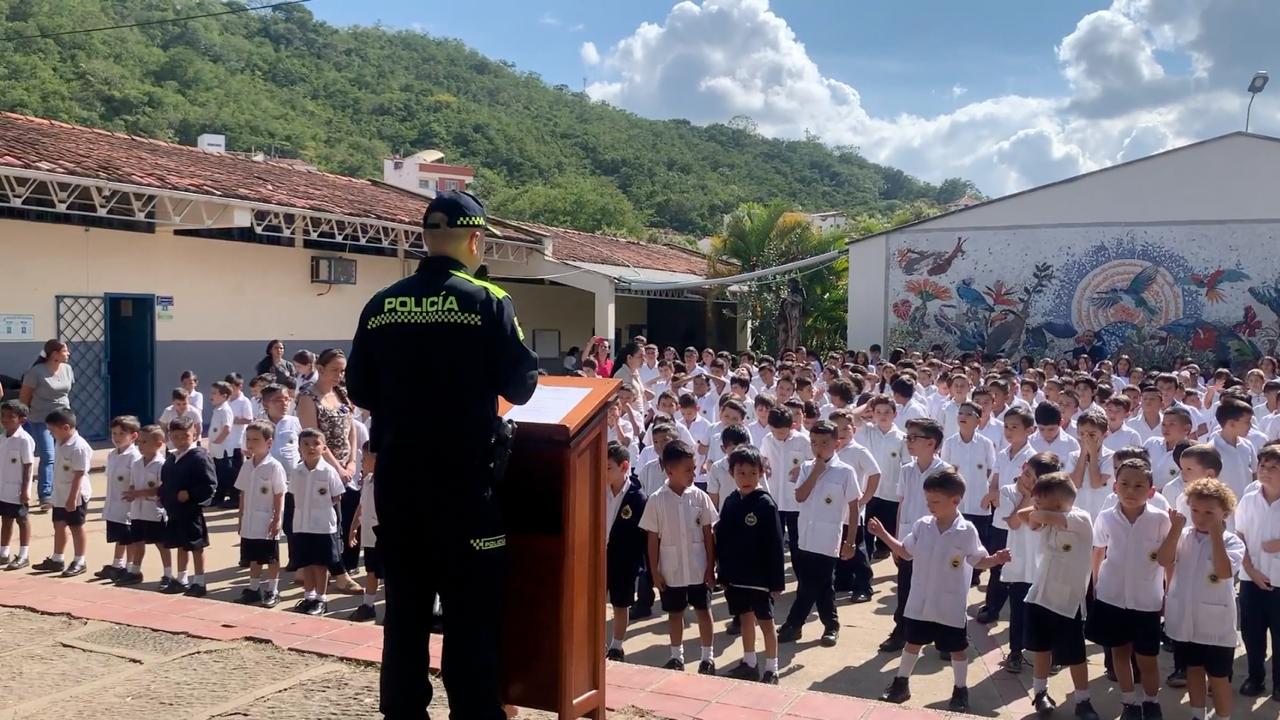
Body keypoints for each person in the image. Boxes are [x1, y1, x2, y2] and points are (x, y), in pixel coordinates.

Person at [346, 190, 538, 720]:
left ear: (427, 239)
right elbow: (521, 387)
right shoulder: (488, 301)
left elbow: (359, 389)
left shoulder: (382, 304)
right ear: (475, 239)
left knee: (405, 613)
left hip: (401, 488)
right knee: (470, 616)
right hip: (465, 489)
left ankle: (403, 712)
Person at [871, 468, 1011, 713]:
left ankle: (960, 690)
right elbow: (905, 552)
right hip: (921, 601)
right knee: (912, 643)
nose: (930, 506)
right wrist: (883, 534)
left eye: (935, 501)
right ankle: (901, 683)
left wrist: (996, 559)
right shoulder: (923, 525)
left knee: (957, 649)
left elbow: (979, 560)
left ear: (955, 501)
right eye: (928, 501)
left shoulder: (966, 530)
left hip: (949, 604)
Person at [1086, 459, 1171, 720]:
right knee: (1119, 653)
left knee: (1147, 658)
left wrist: (1169, 593)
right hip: (1112, 596)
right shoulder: (1106, 517)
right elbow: (1098, 549)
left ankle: (1151, 700)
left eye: (1138, 485)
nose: (1131, 491)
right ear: (1114, 487)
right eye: (1124, 484)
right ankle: (1129, 702)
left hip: (1147, 599)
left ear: (1151, 490)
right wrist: (1096, 584)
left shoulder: (1160, 520)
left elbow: (1169, 560)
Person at [1160, 479, 1244, 720]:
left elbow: (1224, 571)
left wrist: (1216, 535)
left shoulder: (1232, 541)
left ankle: (1223, 716)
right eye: (1195, 510)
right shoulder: (1183, 535)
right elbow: (1164, 560)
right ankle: (1198, 714)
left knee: (1218, 677)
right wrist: (1175, 529)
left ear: (1225, 513)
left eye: (1209, 512)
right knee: (1193, 670)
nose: (1200, 517)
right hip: (1185, 619)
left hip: (1216, 623)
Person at [1018, 472, 1098, 720]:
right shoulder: (1048, 517)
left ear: (1056, 504)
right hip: (1040, 596)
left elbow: (1037, 516)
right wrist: (1039, 503)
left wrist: (1040, 509)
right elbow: (1026, 516)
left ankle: (1082, 700)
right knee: (1041, 649)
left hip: (1067, 603)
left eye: (1039, 500)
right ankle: (1040, 693)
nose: (1036, 505)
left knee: (1075, 655)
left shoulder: (1080, 518)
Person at [638, 439, 719, 674]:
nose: (693, 474)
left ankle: (707, 657)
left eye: (694, 469)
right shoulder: (656, 500)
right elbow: (653, 539)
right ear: (669, 470)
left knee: (703, 611)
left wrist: (710, 566)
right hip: (671, 569)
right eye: (687, 470)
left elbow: (708, 533)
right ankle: (676, 656)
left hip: (697, 566)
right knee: (675, 613)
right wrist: (654, 571)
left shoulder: (700, 497)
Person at [777, 421, 859, 647]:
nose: (819, 448)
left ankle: (793, 624)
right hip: (805, 537)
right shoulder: (806, 468)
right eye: (814, 443)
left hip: (828, 539)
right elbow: (800, 496)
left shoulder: (845, 472)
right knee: (820, 585)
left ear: (836, 443)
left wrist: (850, 542)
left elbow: (853, 509)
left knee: (810, 585)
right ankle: (831, 625)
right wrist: (816, 471)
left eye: (825, 443)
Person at [295, 349, 362, 594]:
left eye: (342, 370)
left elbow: (352, 428)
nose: (339, 375)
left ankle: (321, 567)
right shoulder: (307, 397)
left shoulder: (341, 393)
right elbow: (313, 437)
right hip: (323, 469)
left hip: (346, 467)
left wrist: (352, 460)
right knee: (331, 522)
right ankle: (339, 573)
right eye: (334, 369)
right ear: (320, 369)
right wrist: (337, 467)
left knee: (345, 518)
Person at [716, 445, 785, 684]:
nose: (747, 479)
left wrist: (776, 581)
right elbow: (722, 540)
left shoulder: (765, 504)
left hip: (760, 578)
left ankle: (772, 668)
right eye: (741, 473)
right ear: (732, 473)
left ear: (761, 473)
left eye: (752, 473)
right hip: (736, 576)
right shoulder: (730, 501)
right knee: (745, 618)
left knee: (766, 622)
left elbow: (775, 545)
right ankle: (749, 662)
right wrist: (722, 573)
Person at [880, 417, 949, 653]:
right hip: (909, 538)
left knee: (936, 589)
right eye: (907, 437)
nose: (908, 442)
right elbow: (903, 504)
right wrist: (896, 542)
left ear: (931, 443)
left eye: (914, 438)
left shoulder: (944, 472)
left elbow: (949, 510)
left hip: (935, 540)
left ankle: (944, 639)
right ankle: (901, 631)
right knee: (906, 587)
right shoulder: (907, 470)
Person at [995, 451, 1061, 673]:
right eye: (1027, 474)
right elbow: (1013, 523)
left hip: (1045, 563)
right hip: (1020, 564)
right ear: (1023, 467)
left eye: (1036, 481)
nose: (1029, 482)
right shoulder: (1007, 492)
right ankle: (1015, 652)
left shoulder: (1052, 498)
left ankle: (1049, 653)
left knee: (1045, 612)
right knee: (1018, 611)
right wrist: (1027, 497)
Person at [1234, 444, 1280, 701]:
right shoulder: (1249, 499)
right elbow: (1239, 535)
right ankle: (1255, 677)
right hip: (1251, 579)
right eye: (1263, 465)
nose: (1266, 471)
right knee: (1252, 634)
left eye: (1274, 467)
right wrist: (1250, 569)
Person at [289, 429, 345, 616]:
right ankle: (309, 597)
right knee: (307, 563)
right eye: (305, 444)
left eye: (315, 444)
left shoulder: (328, 471)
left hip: (322, 525)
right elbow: (294, 495)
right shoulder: (297, 471)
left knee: (320, 564)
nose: (311, 447)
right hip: (302, 524)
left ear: (324, 447)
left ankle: (321, 599)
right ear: (299, 448)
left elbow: (337, 496)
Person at [159, 416, 216, 596]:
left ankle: (199, 582)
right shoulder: (172, 457)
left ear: (194, 434)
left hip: (191, 511)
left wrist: (191, 494)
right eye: (176, 437)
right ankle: (182, 579)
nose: (181, 441)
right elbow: (166, 481)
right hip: (174, 510)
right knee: (180, 545)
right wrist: (162, 495)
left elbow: (210, 484)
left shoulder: (199, 457)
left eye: (185, 436)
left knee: (196, 546)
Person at [31, 409, 92, 577]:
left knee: (76, 527)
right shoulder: (60, 441)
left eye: (52, 430)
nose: (50, 434)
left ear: (65, 427)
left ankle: (80, 560)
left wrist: (73, 498)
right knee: (58, 524)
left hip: (76, 494)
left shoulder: (79, 447)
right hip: (60, 492)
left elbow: (79, 474)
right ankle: (57, 559)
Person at [234, 420, 287, 609]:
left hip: (267, 519)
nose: (251, 443)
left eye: (256, 439)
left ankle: (273, 589)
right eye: (248, 439)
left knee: (270, 556)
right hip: (249, 519)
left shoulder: (274, 467)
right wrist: (240, 517)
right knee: (253, 556)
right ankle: (253, 587)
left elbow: (279, 493)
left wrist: (277, 518)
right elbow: (243, 492)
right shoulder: (247, 465)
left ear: (269, 442)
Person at [20, 339, 74, 510]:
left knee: (66, 454)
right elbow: (24, 397)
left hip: (64, 419)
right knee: (49, 456)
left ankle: (64, 490)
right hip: (41, 419)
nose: (68, 354)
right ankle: (45, 495)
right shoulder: (36, 372)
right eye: (65, 351)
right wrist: (24, 416)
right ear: (55, 355)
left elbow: (66, 390)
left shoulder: (67, 369)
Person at [604, 441, 646, 661]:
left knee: (621, 603)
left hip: (624, 559)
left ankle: (616, 645)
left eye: (608, 467)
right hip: (599, 555)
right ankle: (596, 642)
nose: (603, 472)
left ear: (624, 467)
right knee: (594, 601)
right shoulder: (597, 490)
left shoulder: (637, 497)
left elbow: (642, 535)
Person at [120, 425, 170, 587]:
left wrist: (139, 493)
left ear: (158, 444)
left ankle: (168, 574)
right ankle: (135, 571)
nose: (140, 445)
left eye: (145, 442)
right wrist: (131, 493)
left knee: (161, 543)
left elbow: (161, 489)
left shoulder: (162, 465)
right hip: (137, 511)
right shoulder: (136, 464)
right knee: (137, 541)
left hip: (154, 511)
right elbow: (133, 484)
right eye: (139, 442)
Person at [96, 416, 141, 581]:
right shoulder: (112, 454)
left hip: (128, 505)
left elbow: (135, 480)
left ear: (134, 436)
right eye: (114, 433)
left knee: (129, 538)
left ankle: (130, 567)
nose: (116, 437)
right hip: (114, 502)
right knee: (119, 536)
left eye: (122, 434)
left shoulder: (134, 456)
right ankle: (117, 564)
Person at [348, 442, 383, 622]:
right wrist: (354, 527)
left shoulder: (387, 483)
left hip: (383, 536)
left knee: (386, 573)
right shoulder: (368, 481)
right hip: (369, 536)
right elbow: (361, 506)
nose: (362, 461)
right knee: (371, 571)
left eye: (366, 457)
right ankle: (368, 605)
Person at [0, 400, 35, 570]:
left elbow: (28, 465)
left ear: (22, 420)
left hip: (17, 488)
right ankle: (3, 552)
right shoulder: (2, 438)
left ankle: (23, 554)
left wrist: (25, 489)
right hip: (3, 488)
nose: (5, 420)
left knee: (22, 519)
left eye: (10, 417)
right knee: (5, 520)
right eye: (3, 416)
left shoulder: (24, 440)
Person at [221, 373, 255, 509]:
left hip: (238, 441)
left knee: (237, 469)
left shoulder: (244, 401)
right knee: (227, 469)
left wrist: (233, 420)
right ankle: (229, 494)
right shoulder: (226, 400)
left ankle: (237, 497)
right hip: (226, 441)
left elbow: (249, 419)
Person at [207, 381, 236, 511]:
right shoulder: (218, 409)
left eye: (215, 393)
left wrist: (218, 441)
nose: (211, 396)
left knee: (224, 474)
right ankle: (218, 497)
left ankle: (228, 497)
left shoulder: (225, 409)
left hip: (223, 448)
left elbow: (227, 428)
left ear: (224, 396)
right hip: (216, 449)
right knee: (218, 473)